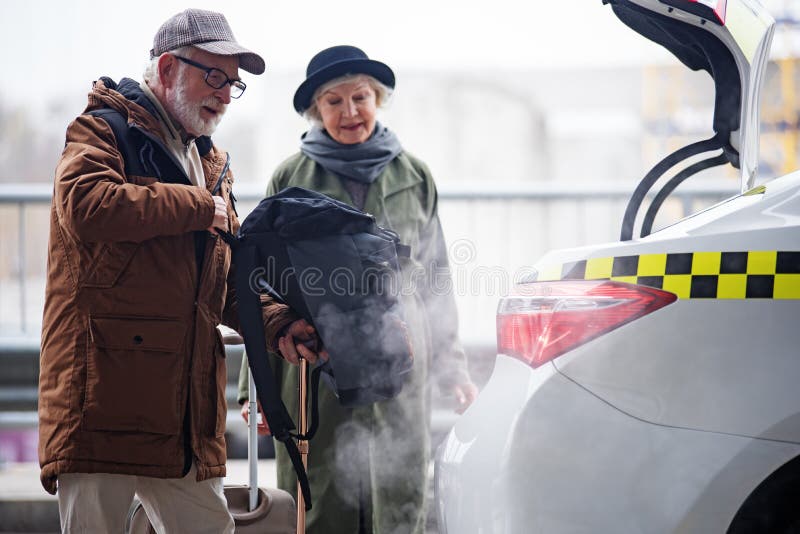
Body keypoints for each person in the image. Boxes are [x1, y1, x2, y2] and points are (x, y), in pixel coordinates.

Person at [38, 9, 264, 533]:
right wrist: (196, 206)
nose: (226, 93)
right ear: (166, 69)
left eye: (233, 83)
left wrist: (277, 324)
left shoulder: (211, 164)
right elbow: (87, 205)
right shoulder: (100, 131)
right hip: (100, 406)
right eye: (213, 75)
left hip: (181, 415)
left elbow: (224, 277)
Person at [237, 45, 479, 534]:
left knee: (399, 494)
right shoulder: (291, 176)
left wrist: (453, 364)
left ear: (378, 100)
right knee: (321, 495)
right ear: (315, 111)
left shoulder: (413, 174)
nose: (350, 112)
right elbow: (255, 283)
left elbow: (435, 274)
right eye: (333, 101)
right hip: (315, 355)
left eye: (361, 97)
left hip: (401, 351)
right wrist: (255, 388)